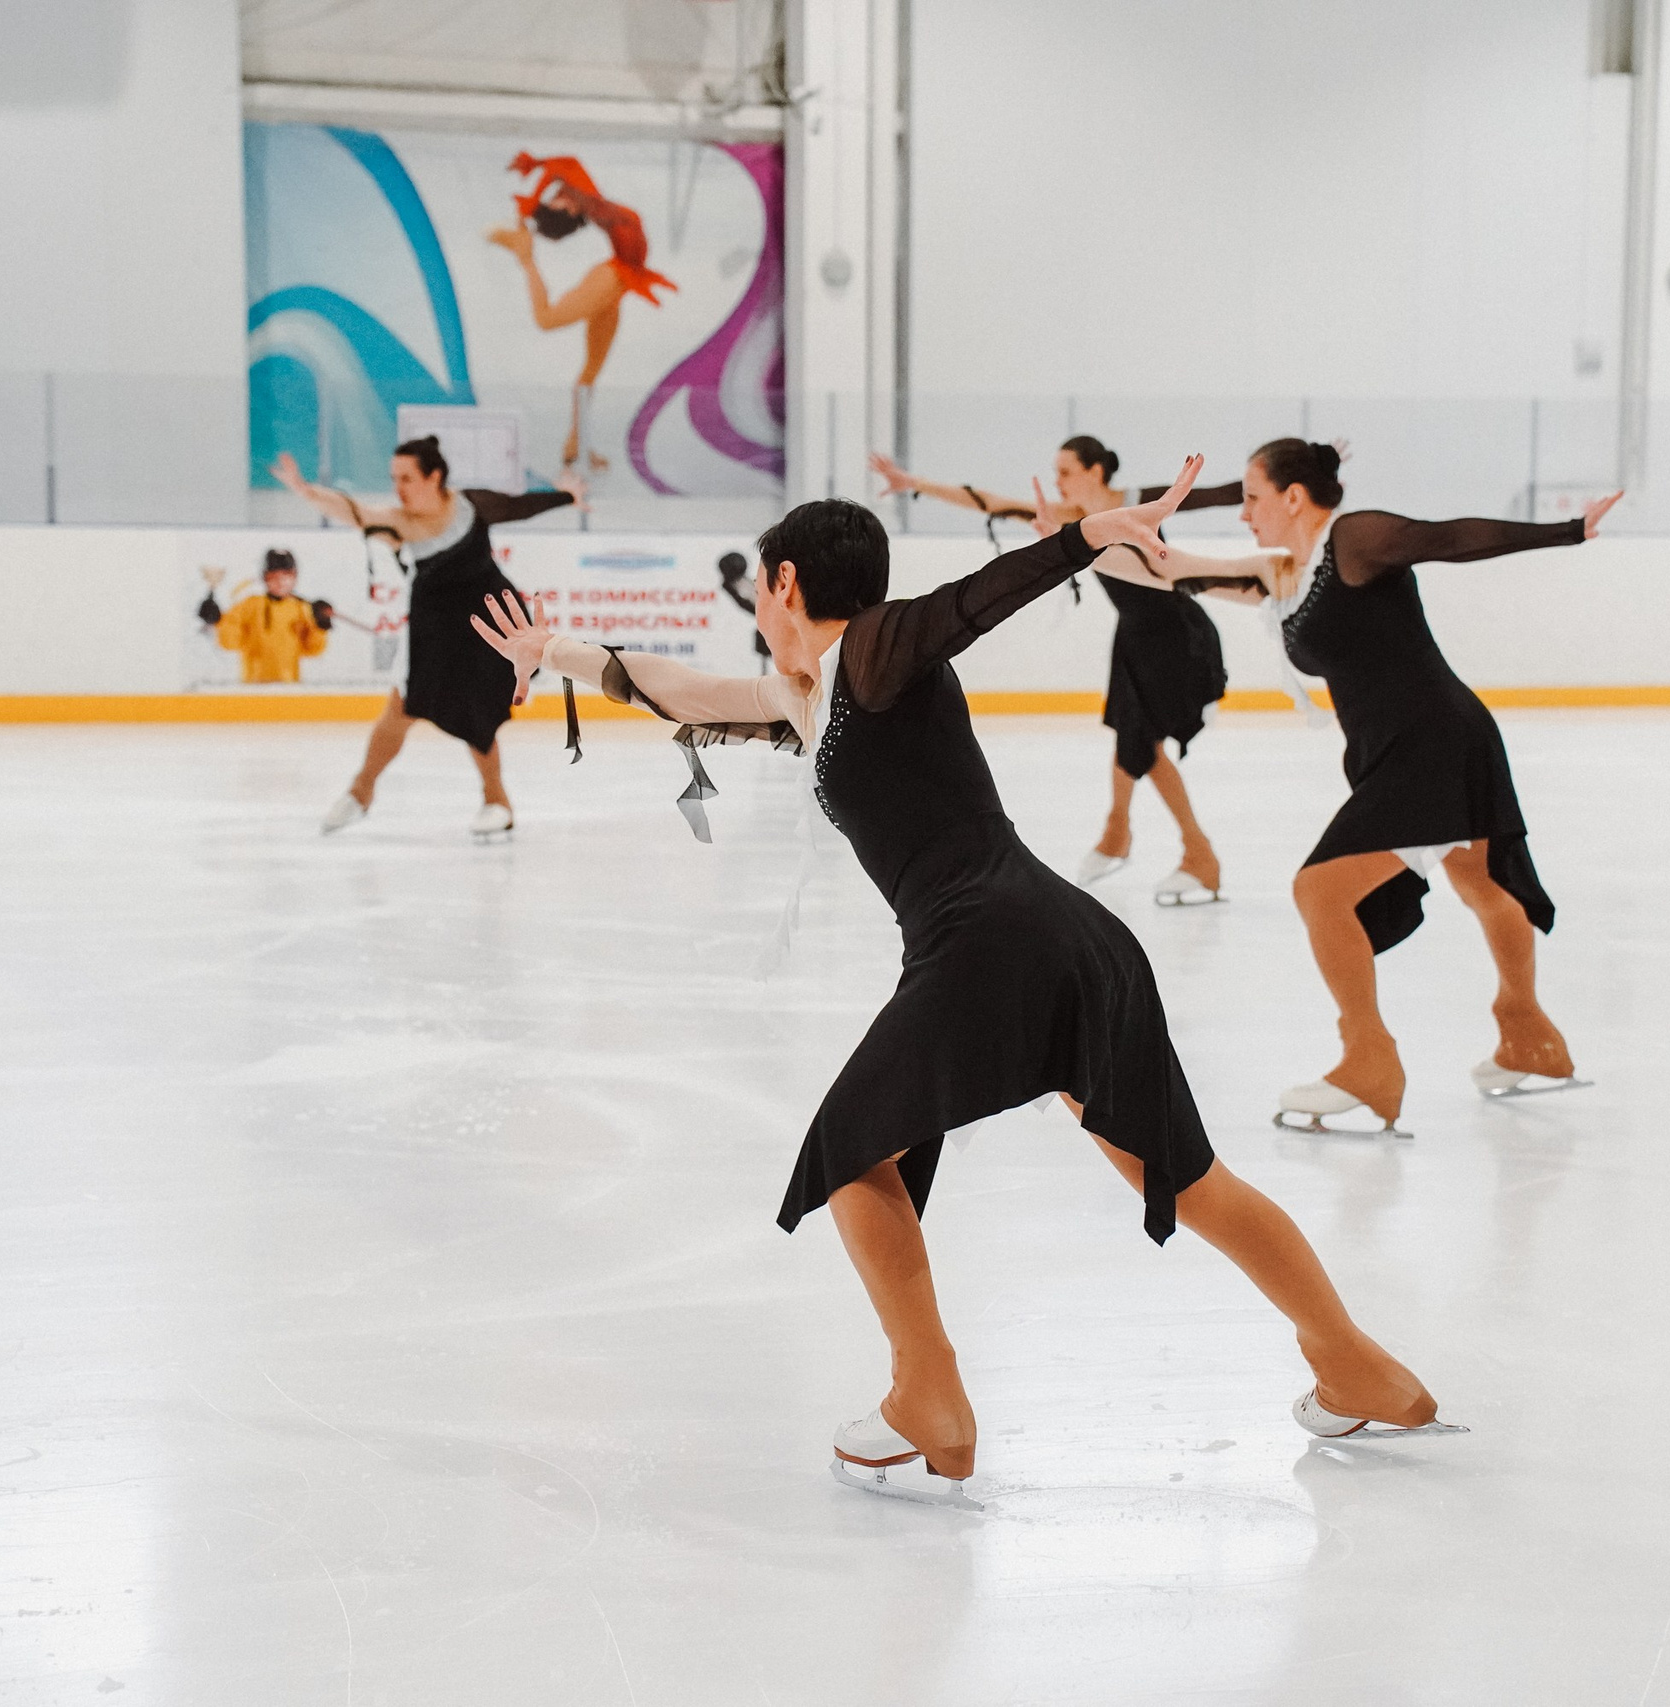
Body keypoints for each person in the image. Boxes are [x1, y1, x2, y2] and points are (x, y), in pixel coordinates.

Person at [470, 459, 1458, 1510]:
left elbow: (967, 606)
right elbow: (687, 693)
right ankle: (1355, 1364)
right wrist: (557, 654)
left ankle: (926, 1396)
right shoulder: (815, 694)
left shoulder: (877, 649)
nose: (757, 603)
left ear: (787, 582)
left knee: (850, 1150)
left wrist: (1083, 539)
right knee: (1190, 1178)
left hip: (990, 941)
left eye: (762, 584)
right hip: (1065, 938)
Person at [1150, 440, 1620, 1133]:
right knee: (1481, 884)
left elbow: (1447, 539)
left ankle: (1369, 1059)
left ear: (1293, 497)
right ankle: (1529, 1033)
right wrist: (1078, 544)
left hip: (1433, 740)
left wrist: (1568, 529)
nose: (1243, 513)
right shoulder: (1284, 576)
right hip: (1403, 747)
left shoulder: (1354, 541)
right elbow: (1170, 568)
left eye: (1251, 498)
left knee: (1321, 890)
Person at [871, 439, 1240, 904]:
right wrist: (914, 483)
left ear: (1095, 471)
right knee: (1133, 736)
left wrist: (1305, 478)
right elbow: (993, 503)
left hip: (1176, 635)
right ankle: (1124, 835)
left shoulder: (1139, 500)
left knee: (1141, 744)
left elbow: (1219, 494)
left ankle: (1188, 853)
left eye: (1065, 471)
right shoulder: (1069, 517)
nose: (1056, 481)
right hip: (1134, 637)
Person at [272, 438, 577, 840]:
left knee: (479, 712)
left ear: (434, 477)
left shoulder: (470, 505)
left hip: (489, 621)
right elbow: (354, 511)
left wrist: (567, 496)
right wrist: (307, 491)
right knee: (402, 706)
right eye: (394, 478)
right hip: (436, 628)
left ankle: (497, 802)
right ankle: (360, 793)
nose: (398, 487)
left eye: (407, 478)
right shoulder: (399, 522)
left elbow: (520, 506)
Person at [488, 153, 676, 475]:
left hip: (620, 281)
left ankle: (576, 448)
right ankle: (525, 257)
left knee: (590, 372)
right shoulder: (587, 200)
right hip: (613, 277)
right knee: (546, 319)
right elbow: (565, 168)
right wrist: (533, 201)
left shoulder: (585, 199)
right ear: (571, 210)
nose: (556, 195)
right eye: (556, 202)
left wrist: (534, 181)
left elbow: (562, 168)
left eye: (555, 198)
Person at [198, 547, 331, 684]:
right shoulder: (250, 605)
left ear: (295, 577)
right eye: (273, 576)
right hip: (255, 687)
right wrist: (218, 620)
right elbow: (229, 642)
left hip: (290, 687)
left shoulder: (302, 609)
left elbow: (314, 649)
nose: (280, 582)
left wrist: (320, 625)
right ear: (264, 578)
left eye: (286, 576)